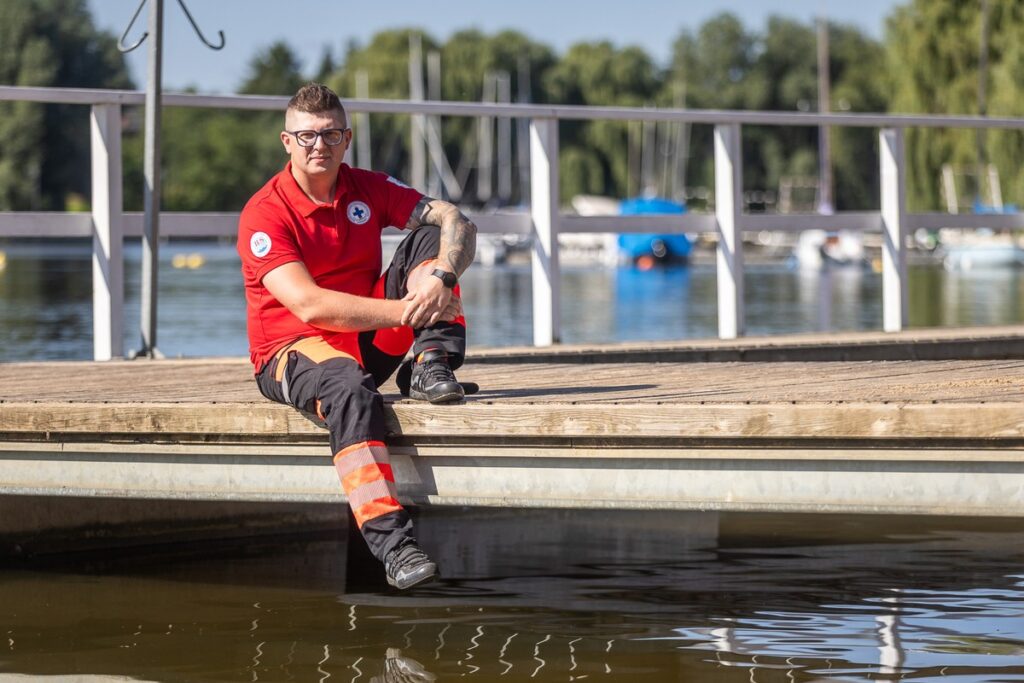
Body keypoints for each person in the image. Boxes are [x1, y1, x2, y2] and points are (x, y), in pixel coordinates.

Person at [236, 83, 477, 590]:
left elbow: (455, 219)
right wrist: (410, 310)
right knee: (348, 386)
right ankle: (392, 544)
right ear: (286, 142)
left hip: (367, 340)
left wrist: (444, 279)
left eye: (330, 135)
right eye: (306, 136)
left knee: (432, 239)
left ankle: (430, 362)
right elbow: (309, 304)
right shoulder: (265, 213)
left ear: (347, 139)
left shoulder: (367, 187)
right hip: (291, 350)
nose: (318, 146)